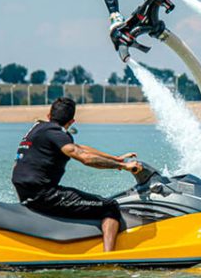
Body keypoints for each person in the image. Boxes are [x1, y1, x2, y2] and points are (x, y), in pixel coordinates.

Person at [12, 97, 142, 252]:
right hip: (45, 196)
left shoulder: (39, 128)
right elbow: (85, 157)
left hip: (26, 192)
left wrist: (114, 158)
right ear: (72, 121)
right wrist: (123, 166)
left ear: (49, 115)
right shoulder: (57, 133)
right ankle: (109, 257)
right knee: (110, 207)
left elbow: (79, 148)